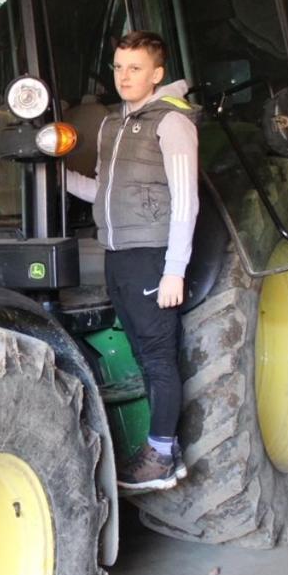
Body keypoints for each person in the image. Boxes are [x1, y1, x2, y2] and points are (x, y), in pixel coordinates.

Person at [67, 30, 199, 492]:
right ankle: (159, 451)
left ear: (156, 74)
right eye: (119, 67)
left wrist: (175, 271)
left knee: (159, 357)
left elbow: (187, 202)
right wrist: (53, 172)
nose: (124, 77)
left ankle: (162, 454)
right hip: (117, 255)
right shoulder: (112, 125)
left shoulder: (173, 123)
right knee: (144, 356)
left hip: (151, 255)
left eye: (135, 68)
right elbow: (99, 192)